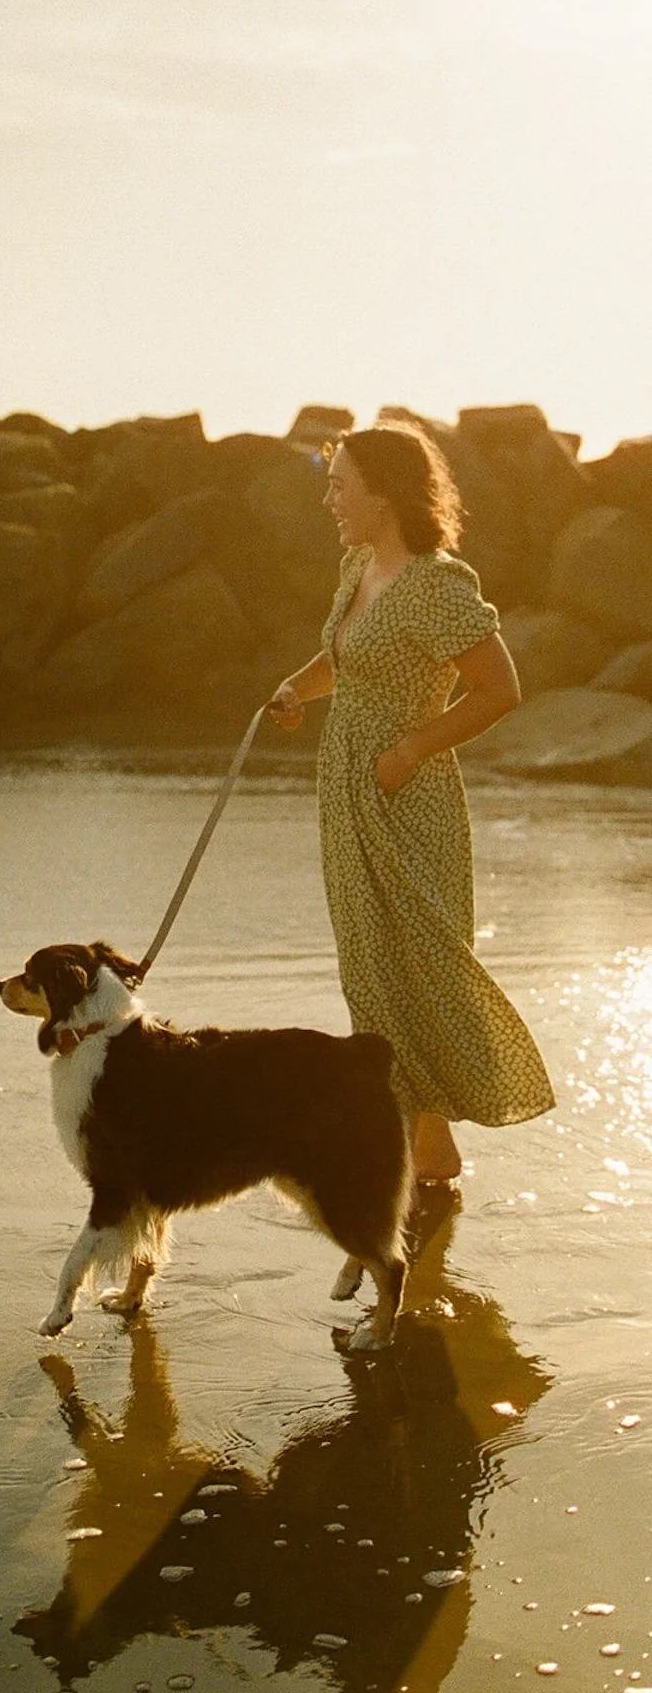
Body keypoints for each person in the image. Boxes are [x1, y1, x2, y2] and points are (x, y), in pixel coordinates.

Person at [267, 422, 554, 1182]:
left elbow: (501, 690)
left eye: (341, 485)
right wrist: (299, 687)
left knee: (420, 964)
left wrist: (409, 751)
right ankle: (423, 1151)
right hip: (346, 792)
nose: (329, 498)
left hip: (406, 796)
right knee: (368, 968)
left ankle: (420, 1138)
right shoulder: (359, 566)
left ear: (385, 497)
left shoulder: (436, 582)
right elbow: (345, 658)